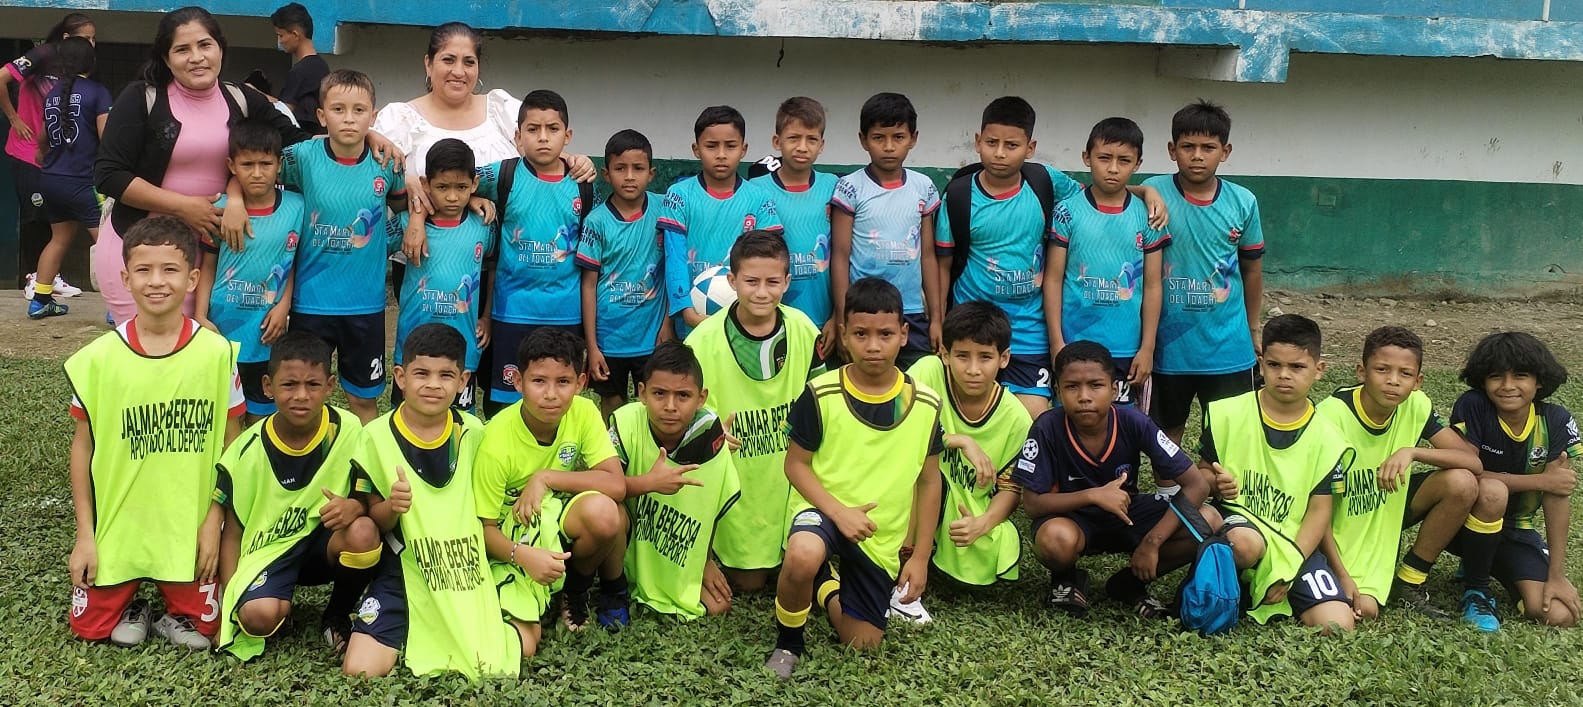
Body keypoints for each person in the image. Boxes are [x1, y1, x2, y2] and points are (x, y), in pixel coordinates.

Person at [95, 7, 389, 326]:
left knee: (204, 351)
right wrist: (184, 207)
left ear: (220, 49)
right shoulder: (142, 97)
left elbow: (301, 142)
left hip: (216, 256)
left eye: (205, 45)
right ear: (166, 58)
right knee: (150, 347)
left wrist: (365, 135)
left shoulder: (242, 99)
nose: (196, 57)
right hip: (143, 252)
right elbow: (109, 175)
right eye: (182, 49)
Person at [64, 216, 245, 650]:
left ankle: (169, 611)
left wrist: (215, 523)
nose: (157, 281)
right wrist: (85, 536)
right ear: (126, 279)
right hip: (119, 526)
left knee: (206, 629)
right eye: (144, 270)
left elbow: (234, 447)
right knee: (90, 630)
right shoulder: (97, 360)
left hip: (188, 526)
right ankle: (135, 605)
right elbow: (82, 450)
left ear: (192, 279)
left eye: (170, 270)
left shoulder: (217, 354)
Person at [940, 99, 1167, 419]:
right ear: (978, 142)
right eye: (992, 143)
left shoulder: (1045, 181)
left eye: (1011, 145)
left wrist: (1145, 192)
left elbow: (1103, 189)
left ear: (1030, 148)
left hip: (1029, 332)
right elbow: (941, 263)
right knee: (968, 414)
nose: (1001, 153)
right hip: (974, 326)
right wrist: (938, 320)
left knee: (1033, 419)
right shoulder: (959, 195)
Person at [765, 277, 943, 679]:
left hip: (878, 533)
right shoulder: (820, 392)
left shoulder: (926, 403)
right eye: (861, 334)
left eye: (885, 334)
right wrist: (839, 512)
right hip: (823, 509)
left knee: (862, 644)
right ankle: (788, 643)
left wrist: (919, 557)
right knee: (803, 553)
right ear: (844, 335)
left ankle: (826, 586)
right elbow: (795, 465)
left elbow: (930, 481)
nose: (873, 346)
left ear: (903, 334)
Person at [344, 323, 522, 678]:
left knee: (498, 658)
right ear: (400, 377)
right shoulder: (374, 436)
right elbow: (375, 518)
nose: (433, 385)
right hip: (405, 567)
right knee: (359, 669)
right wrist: (392, 507)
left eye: (446, 375)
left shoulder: (475, 433)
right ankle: (404, 619)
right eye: (421, 373)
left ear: (463, 380)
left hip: (465, 568)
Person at [214, 332, 381, 660]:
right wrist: (230, 602)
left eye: (313, 384)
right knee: (257, 617)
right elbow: (232, 533)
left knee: (364, 531)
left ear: (330, 386)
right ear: (268, 386)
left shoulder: (350, 430)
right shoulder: (249, 449)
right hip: (270, 552)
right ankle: (278, 604)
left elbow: (368, 497)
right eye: (289, 385)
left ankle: (337, 615)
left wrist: (353, 506)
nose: (301, 396)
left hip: (324, 548)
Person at [1014, 341, 1205, 618]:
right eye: (1072, 386)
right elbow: (1032, 504)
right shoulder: (1047, 427)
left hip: (1127, 514)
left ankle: (1129, 583)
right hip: (1072, 518)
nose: (1084, 396)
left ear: (1114, 390)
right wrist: (1093, 495)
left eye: (1096, 385)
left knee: (1207, 520)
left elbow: (1197, 484)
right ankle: (1067, 578)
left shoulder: (1133, 421)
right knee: (1054, 540)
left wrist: (1153, 542)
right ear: (1057, 390)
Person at [684, 231, 823, 592]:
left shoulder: (804, 330)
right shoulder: (701, 341)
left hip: (792, 471)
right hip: (735, 477)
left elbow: (824, 400)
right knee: (750, 583)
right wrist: (709, 430)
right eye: (751, 281)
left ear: (787, 282)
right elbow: (679, 414)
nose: (762, 292)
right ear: (732, 281)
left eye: (772, 282)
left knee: (803, 564)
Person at [1315, 326, 1482, 622]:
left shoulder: (1416, 405)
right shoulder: (1330, 415)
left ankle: (1410, 580)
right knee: (1363, 610)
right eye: (1382, 369)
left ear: (1418, 381)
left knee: (1462, 482)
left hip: (1388, 502)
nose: (1393, 380)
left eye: (1405, 373)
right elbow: (1314, 500)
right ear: (1361, 372)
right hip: (1334, 518)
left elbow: (1472, 461)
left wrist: (1413, 452)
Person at [1200, 314, 1355, 632]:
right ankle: (1231, 585)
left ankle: (1261, 588)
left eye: (1297, 367)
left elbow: (1319, 511)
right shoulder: (1226, 413)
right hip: (1240, 525)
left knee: (1338, 625)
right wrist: (1215, 482)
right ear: (1261, 364)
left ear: (1319, 369)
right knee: (1244, 544)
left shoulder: (1330, 438)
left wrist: (1289, 569)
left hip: (1293, 542)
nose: (1284, 375)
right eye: (1274, 365)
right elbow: (1201, 474)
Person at [474, 328, 629, 639]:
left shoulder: (583, 412)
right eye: (538, 381)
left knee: (609, 513)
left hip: (555, 510)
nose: (551, 394)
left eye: (563, 382)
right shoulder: (496, 441)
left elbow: (617, 484)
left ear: (581, 383)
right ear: (518, 382)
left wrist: (545, 477)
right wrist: (521, 555)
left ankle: (575, 589)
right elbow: (483, 528)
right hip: (513, 526)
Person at [279, 69, 406, 424]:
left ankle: (365, 458)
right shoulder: (301, 157)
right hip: (311, 302)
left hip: (365, 304)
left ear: (373, 116)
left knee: (363, 398)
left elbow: (404, 211)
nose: (349, 118)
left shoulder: (388, 163)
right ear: (322, 116)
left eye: (359, 110)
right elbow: (254, 172)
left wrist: (385, 239)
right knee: (304, 394)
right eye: (338, 109)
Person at [1145, 100, 1265, 444]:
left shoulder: (1243, 201)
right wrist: (1144, 190)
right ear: (1172, 150)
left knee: (1228, 438)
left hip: (1228, 346)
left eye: (1208, 147)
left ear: (1225, 152)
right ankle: (1171, 481)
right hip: (1169, 348)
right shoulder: (1154, 192)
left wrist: (1253, 328)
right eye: (1188, 147)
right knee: (1166, 436)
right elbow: (1121, 193)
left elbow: (1252, 270)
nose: (1197, 156)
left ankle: (1213, 482)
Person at [1446, 331, 1582, 630]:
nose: (1507, 386)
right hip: (1460, 522)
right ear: (1483, 380)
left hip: (1516, 528)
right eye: (1496, 376)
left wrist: (1557, 575)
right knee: (1491, 491)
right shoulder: (1474, 406)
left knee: (1558, 615)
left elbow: (1557, 491)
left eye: (1520, 375)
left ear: (1539, 380)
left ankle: (1489, 562)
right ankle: (1477, 589)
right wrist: (1540, 482)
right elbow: (1468, 472)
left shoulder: (1556, 420)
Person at [469, 90, 591, 414]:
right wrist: (472, 198)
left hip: (565, 313)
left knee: (559, 399)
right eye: (533, 129)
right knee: (505, 400)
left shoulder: (583, 182)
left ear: (567, 136)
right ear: (518, 136)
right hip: (512, 311)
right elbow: (449, 181)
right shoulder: (503, 174)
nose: (543, 137)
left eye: (553, 129)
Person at [906, 301, 1032, 591]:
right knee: (922, 472)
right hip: (912, 492)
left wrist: (983, 523)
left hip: (967, 508)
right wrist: (959, 440)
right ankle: (905, 556)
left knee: (989, 547)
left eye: (985, 357)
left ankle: (938, 550)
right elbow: (895, 431)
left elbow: (1011, 488)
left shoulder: (1016, 418)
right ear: (945, 354)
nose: (973, 369)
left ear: (1004, 358)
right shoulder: (928, 372)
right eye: (962, 356)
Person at [611, 341, 742, 619]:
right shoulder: (624, 423)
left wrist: (705, 561)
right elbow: (603, 487)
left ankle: (679, 571)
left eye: (683, 395)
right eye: (659, 393)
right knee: (609, 511)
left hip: (678, 539)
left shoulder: (709, 432)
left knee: (718, 606)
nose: (670, 406)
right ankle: (615, 587)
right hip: (630, 532)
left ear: (701, 398)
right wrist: (649, 482)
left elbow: (712, 502)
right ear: (642, 392)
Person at [1046, 117, 1169, 408]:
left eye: (1124, 160)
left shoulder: (1148, 216)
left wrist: (1147, 348)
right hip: (1074, 343)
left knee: (1122, 423)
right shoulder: (1067, 212)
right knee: (1073, 418)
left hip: (1126, 347)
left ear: (1137, 164)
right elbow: (1053, 279)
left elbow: (1153, 286)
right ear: (1086, 157)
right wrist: (1056, 342)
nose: (1113, 168)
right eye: (1104, 158)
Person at [195, 120, 302, 425]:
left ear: (279, 165)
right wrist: (201, 316)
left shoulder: (296, 206)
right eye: (247, 165)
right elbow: (208, 265)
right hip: (223, 329)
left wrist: (284, 305)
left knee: (263, 417)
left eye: (265, 164)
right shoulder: (220, 209)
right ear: (232, 166)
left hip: (267, 331)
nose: (257, 173)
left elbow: (292, 261)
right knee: (225, 418)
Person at [830, 92, 940, 369]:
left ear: (913, 138)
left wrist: (937, 318)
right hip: (863, 310)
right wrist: (842, 316)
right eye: (879, 137)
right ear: (863, 140)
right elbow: (840, 256)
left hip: (911, 310)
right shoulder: (850, 187)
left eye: (898, 137)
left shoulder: (924, 187)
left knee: (915, 380)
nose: (889, 147)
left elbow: (928, 255)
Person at [660, 105, 784, 339]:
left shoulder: (759, 199)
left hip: (746, 318)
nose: (721, 154)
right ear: (696, 149)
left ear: (743, 149)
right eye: (711, 146)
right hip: (693, 318)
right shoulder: (679, 195)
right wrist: (686, 311)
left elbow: (769, 259)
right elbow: (674, 257)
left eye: (730, 146)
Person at [388, 138, 492, 410]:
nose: (453, 197)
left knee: (460, 421)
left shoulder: (484, 225)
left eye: (461, 187)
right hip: (413, 343)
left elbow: (497, 268)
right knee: (406, 417)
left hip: (463, 345)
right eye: (442, 187)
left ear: (474, 184)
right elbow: (369, 249)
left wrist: (487, 316)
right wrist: (416, 214)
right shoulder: (407, 225)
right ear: (425, 184)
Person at [3, 12, 95, 301]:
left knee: (55, 219)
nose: (92, 43)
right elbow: (1, 78)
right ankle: (33, 276)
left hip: (53, 156)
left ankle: (49, 278)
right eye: (86, 38)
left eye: (94, 39)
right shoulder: (43, 55)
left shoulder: (77, 67)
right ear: (67, 38)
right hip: (26, 150)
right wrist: (14, 118)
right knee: (35, 216)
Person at [579, 129, 669, 418]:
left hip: (651, 335)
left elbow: (673, 269)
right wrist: (592, 346)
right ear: (606, 174)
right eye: (620, 168)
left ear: (651, 173)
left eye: (638, 168)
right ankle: (612, 447)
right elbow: (589, 285)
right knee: (613, 403)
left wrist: (667, 323)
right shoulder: (596, 221)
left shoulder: (664, 210)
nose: (629, 176)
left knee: (653, 403)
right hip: (610, 338)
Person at [749, 97, 838, 357]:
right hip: (771, 320)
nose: (802, 147)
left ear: (821, 145)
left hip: (824, 319)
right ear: (777, 141)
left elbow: (845, 254)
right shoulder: (756, 190)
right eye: (794, 138)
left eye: (811, 139)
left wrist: (837, 317)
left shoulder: (833, 186)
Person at [29, 37, 108, 319]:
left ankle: (40, 300)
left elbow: (42, 139)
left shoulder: (52, 94)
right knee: (108, 243)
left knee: (59, 239)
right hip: (84, 181)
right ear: (92, 62)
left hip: (51, 179)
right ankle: (117, 308)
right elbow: (107, 138)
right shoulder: (97, 92)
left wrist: (44, 155)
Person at [267, 3, 330, 135]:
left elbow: (283, 111)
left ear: (295, 34)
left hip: (305, 140)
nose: (280, 41)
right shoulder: (322, 66)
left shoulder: (300, 71)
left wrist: (253, 94)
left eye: (281, 35)